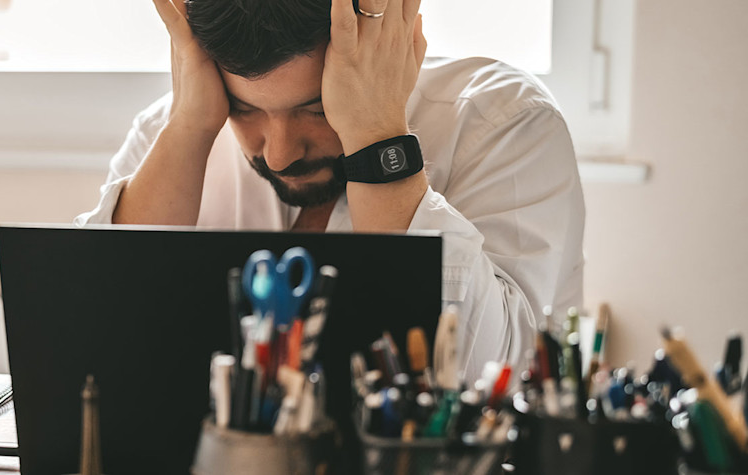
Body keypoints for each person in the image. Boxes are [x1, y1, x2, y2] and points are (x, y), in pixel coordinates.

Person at [76, 0, 585, 377]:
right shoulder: (177, 129)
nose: (278, 154)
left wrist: (376, 137)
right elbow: (86, 350)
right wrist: (190, 128)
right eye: (245, 108)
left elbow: (488, 376)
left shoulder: (504, 122)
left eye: (317, 107)